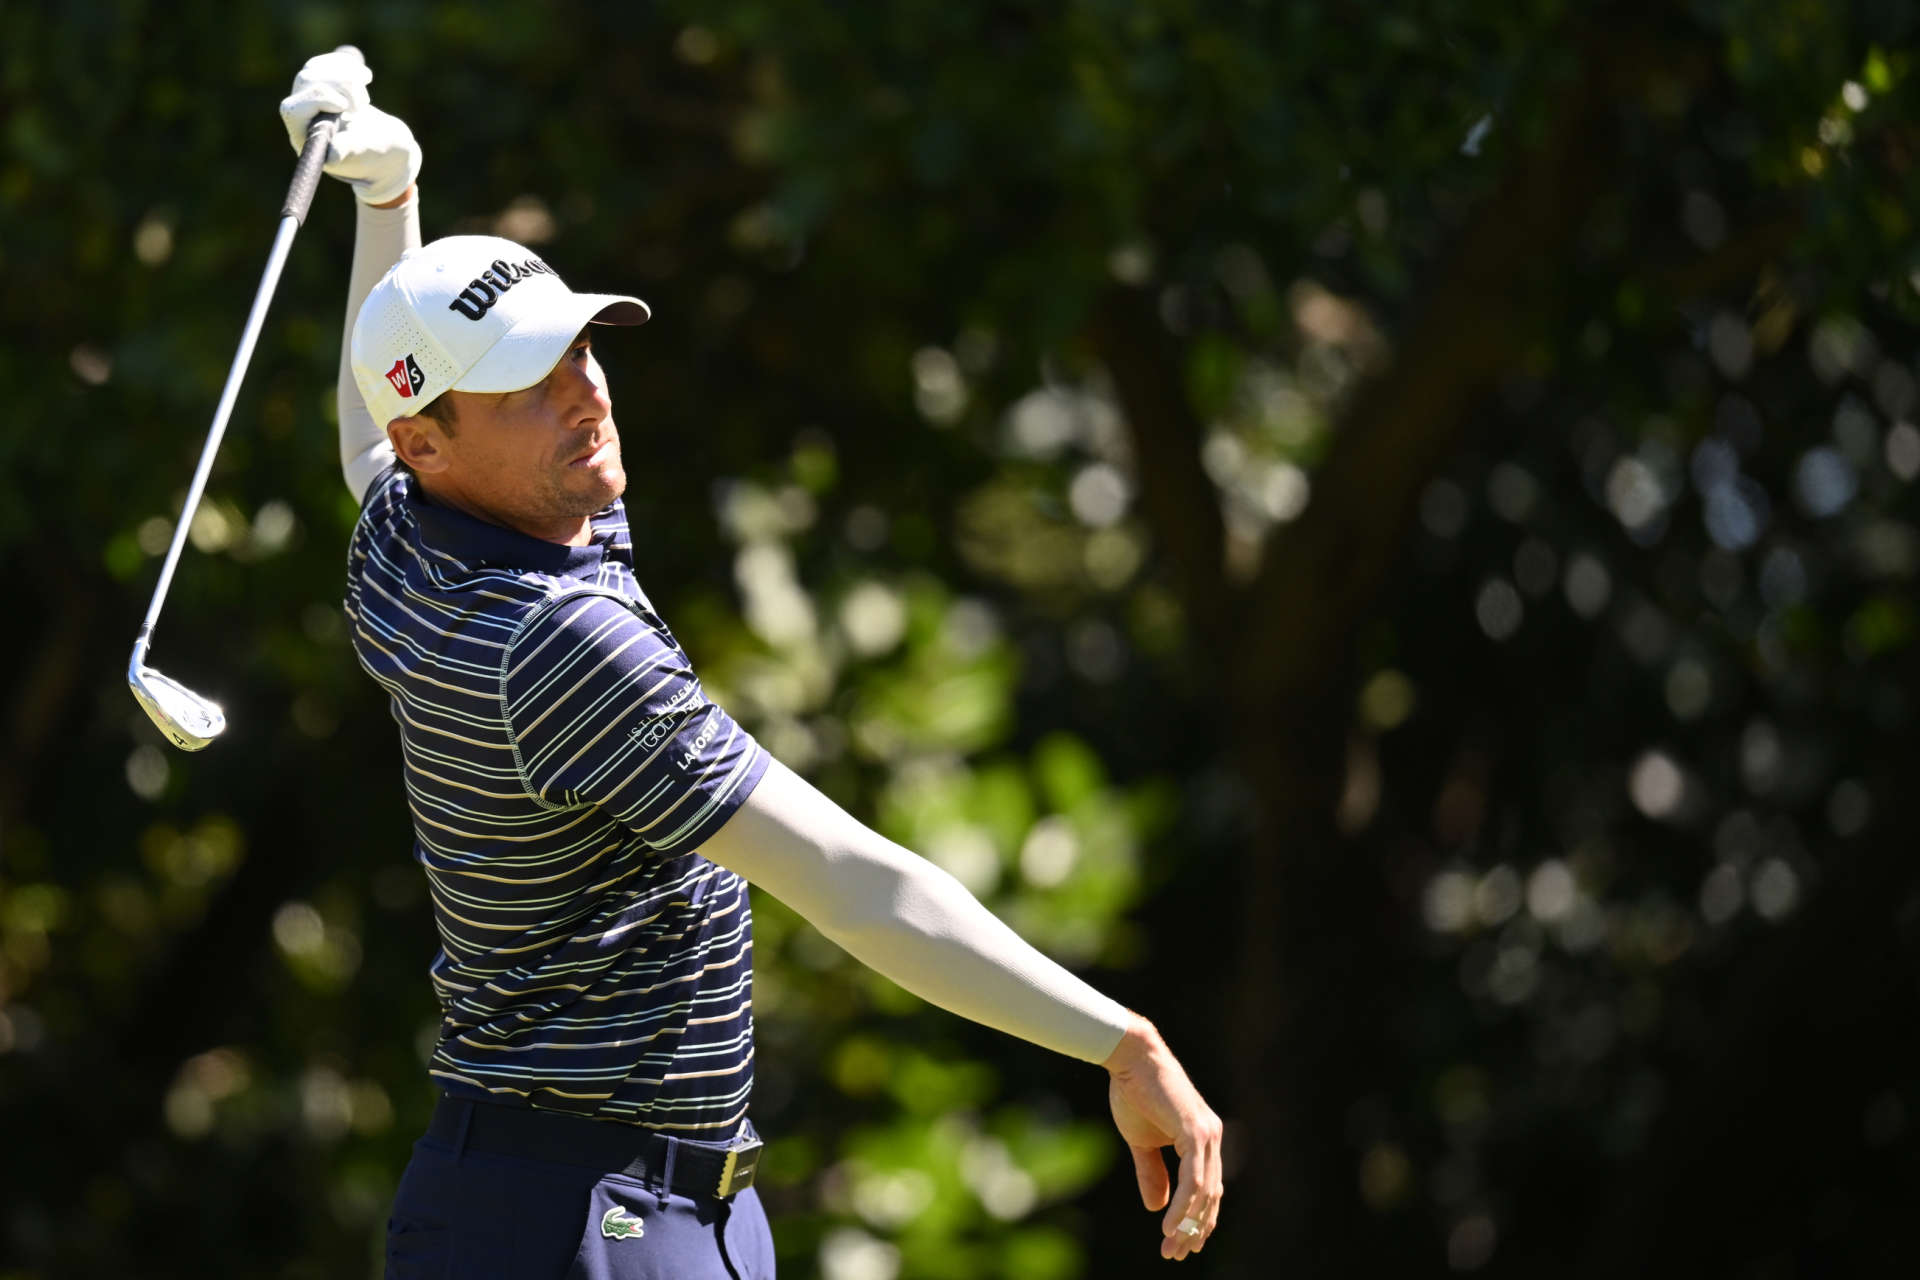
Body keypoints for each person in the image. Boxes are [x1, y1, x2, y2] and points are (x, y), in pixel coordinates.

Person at [282, 48, 1223, 1278]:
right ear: (439, 441)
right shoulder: (558, 644)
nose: (584, 394)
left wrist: (386, 198)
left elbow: (370, 449)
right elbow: (850, 883)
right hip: (589, 1217)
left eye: (579, 348)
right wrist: (1118, 1039)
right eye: (528, 380)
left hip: (610, 1197)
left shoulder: (424, 536)